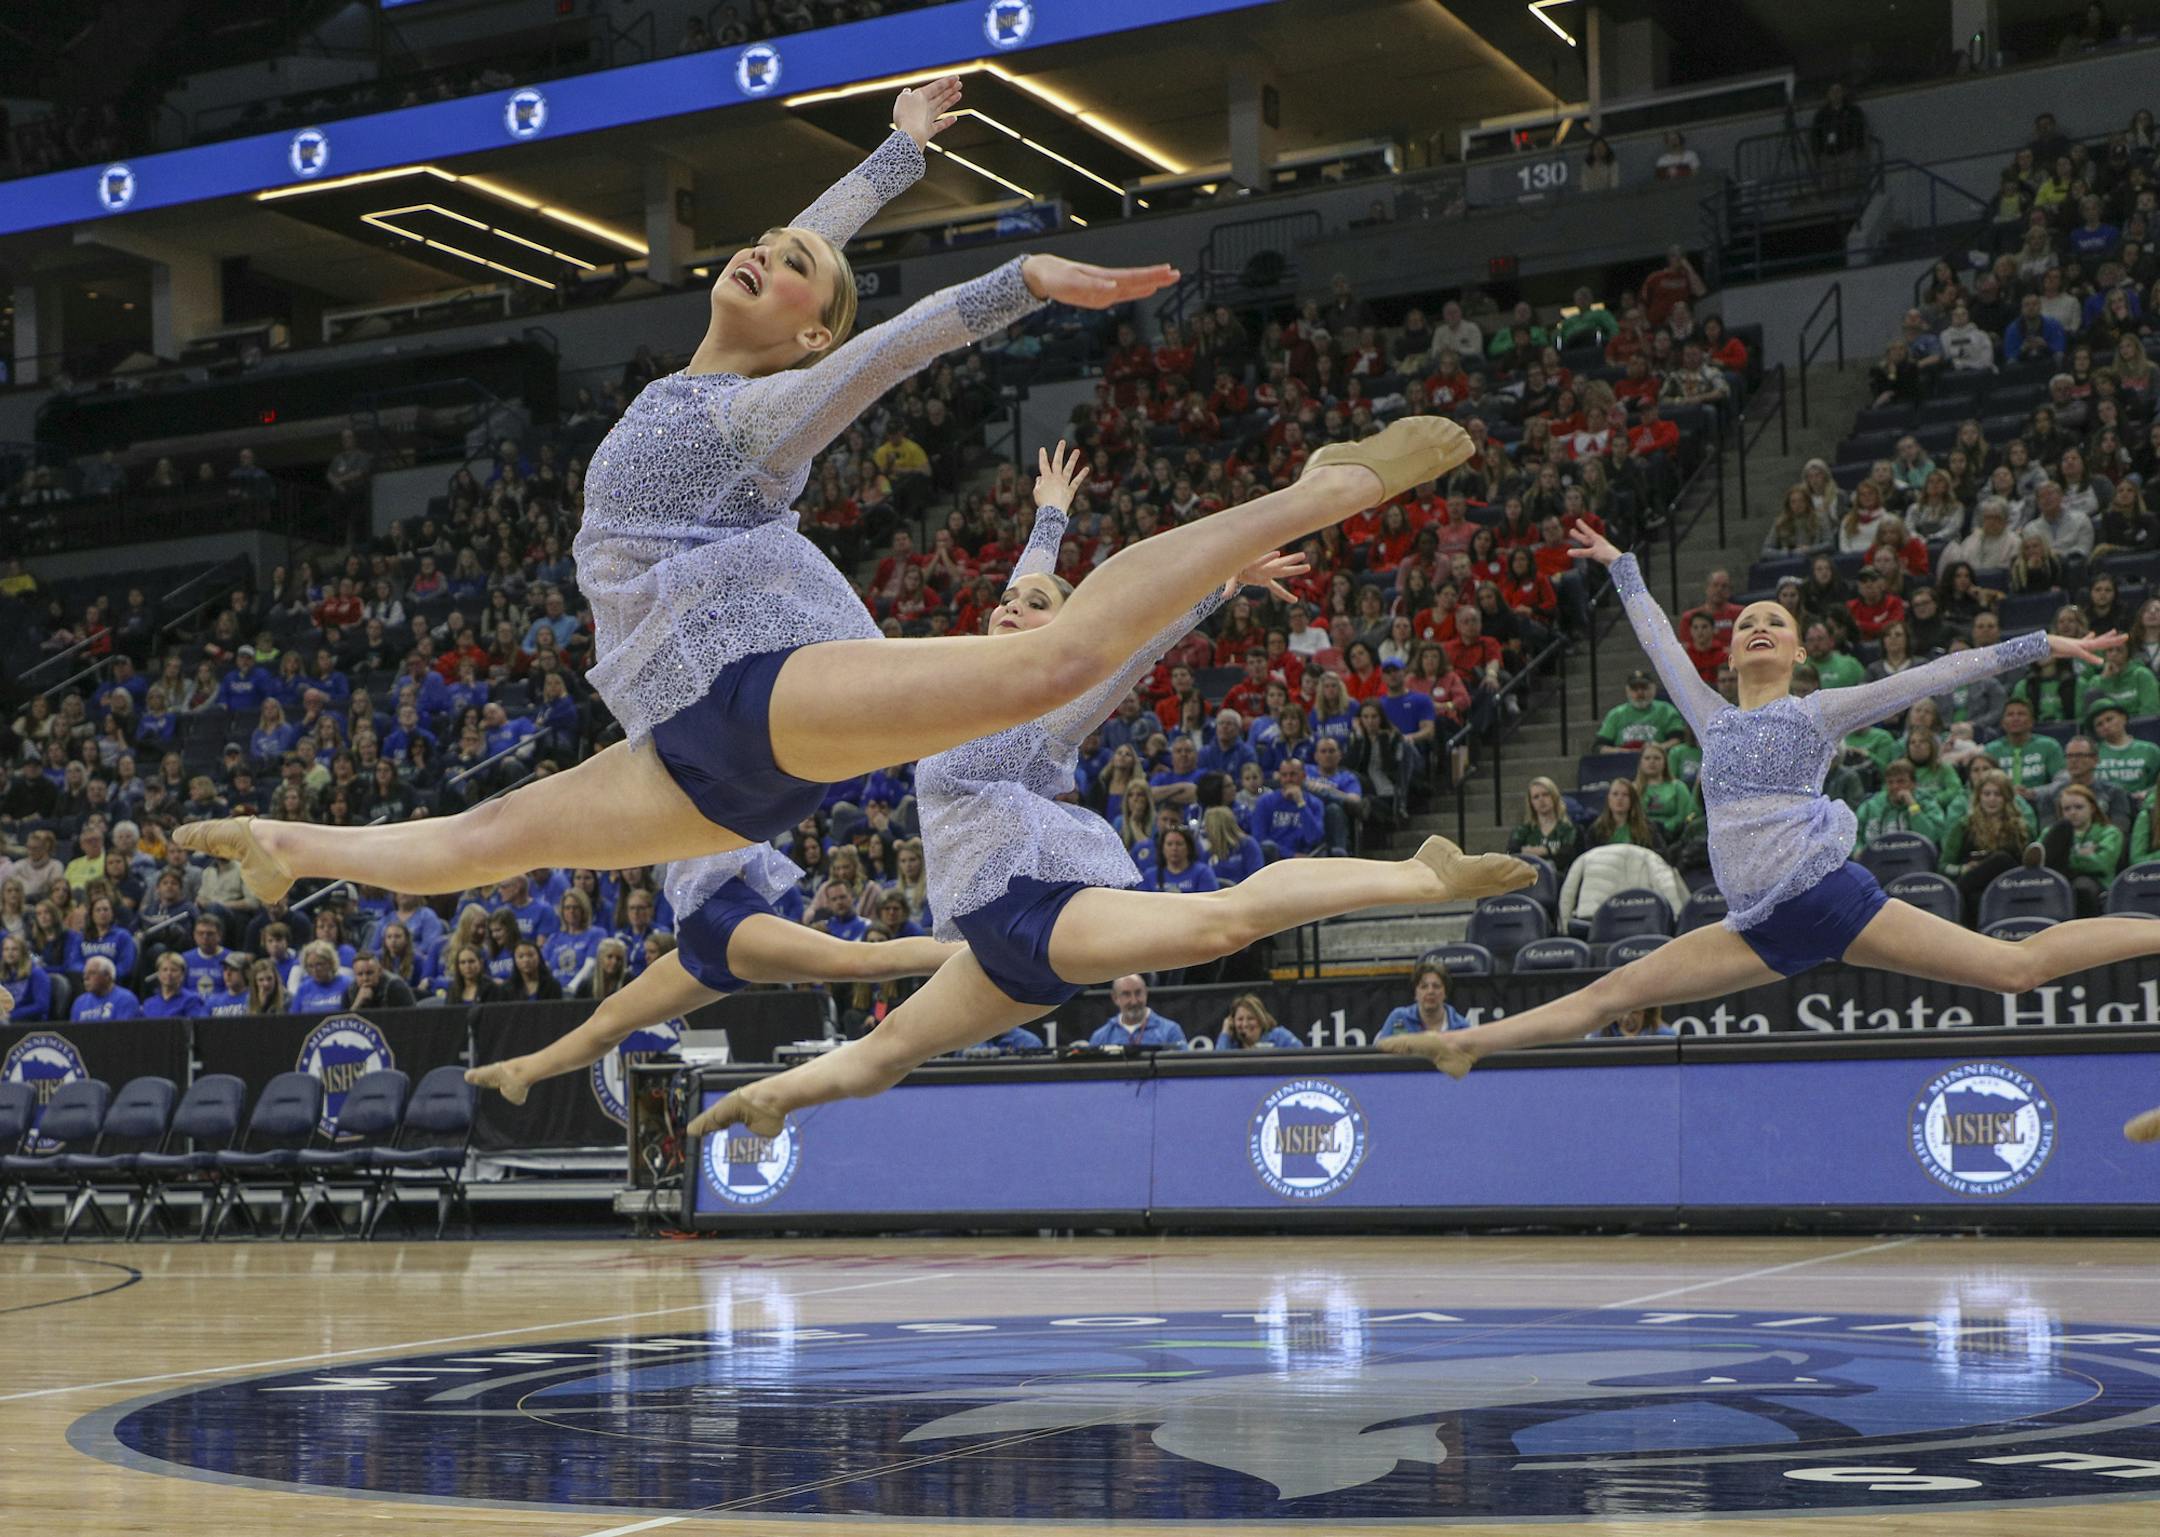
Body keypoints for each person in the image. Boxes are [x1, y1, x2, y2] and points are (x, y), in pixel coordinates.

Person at [177, 82, 1468, 915]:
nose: (768, 250)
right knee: (486, 838)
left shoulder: (753, 414)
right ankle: (295, 848)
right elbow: (816, 258)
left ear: (799, 333)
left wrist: (1013, 286)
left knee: (1047, 666)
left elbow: (879, 346)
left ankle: (1321, 487)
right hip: (707, 757)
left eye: (791, 266)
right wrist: (896, 154)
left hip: (756, 695)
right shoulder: (720, 369)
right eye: (767, 245)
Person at [681, 455, 1531, 1138]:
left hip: (1035, 905)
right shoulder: (973, 680)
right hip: (995, 936)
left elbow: (1128, 650)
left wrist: (1218, 585)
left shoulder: (1049, 697)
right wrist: (1047, 520)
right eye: (1007, 602)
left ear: (1067, 633)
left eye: (1036, 606)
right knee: (888, 1048)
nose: (1013, 606)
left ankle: (1421, 876)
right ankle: (775, 1097)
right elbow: (1031, 602)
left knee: (1219, 924)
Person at [1382, 525, 2155, 1080]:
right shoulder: (1710, 716)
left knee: (2014, 969)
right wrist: (1623, 567)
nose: (1758, 627)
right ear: (1728, 651)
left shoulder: (1819, 711)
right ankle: (1470, 1043)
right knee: (1613, 989)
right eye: (1746, 622)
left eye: (1774, 623)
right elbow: (1657, 641)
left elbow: (1933, 675)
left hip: (1827, 894)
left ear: (1798, 652)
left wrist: (2038, 645)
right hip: (1756, 925)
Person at [465, 846, 960, 1105]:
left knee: (858, 962)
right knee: (610, 1017)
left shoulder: (720, 788)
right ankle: (523, 1071)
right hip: (697, 943)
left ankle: (974, 950)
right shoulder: (685, 781)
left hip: (729, 923)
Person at [1375, 959, 1471, 1037]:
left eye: (1436, 986)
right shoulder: (1399, 1019)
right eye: (1424, 987)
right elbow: (1381, 1054)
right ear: (1416, 993)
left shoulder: (1461, 1027)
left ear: (1445, 993)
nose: (1430, 991)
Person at [1087, 975, 1186, 1049]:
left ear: (1146, 994)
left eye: (1138, 993)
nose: (1134, 1001)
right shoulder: (1101, 1037)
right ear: (1115, 998)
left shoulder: (1170, 1031)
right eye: (1126, 994)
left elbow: (1184, 1071)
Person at [1215, 992, 1301, 1050]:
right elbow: (1217, 1066)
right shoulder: (1230, 1043)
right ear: (1233, 1022)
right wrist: (1225, 1033)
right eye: (1240, 1019)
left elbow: (1301, 1057)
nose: (1245, 1024)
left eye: (1250, 1018)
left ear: (1261, 1019)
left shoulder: (1280, 1036)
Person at [72, 955, 141, 1021]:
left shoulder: (126, 999)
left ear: (107, 976)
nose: (86, 977)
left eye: (92, 973)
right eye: (84, 973)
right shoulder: (79, 1002)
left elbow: (125, 1030)